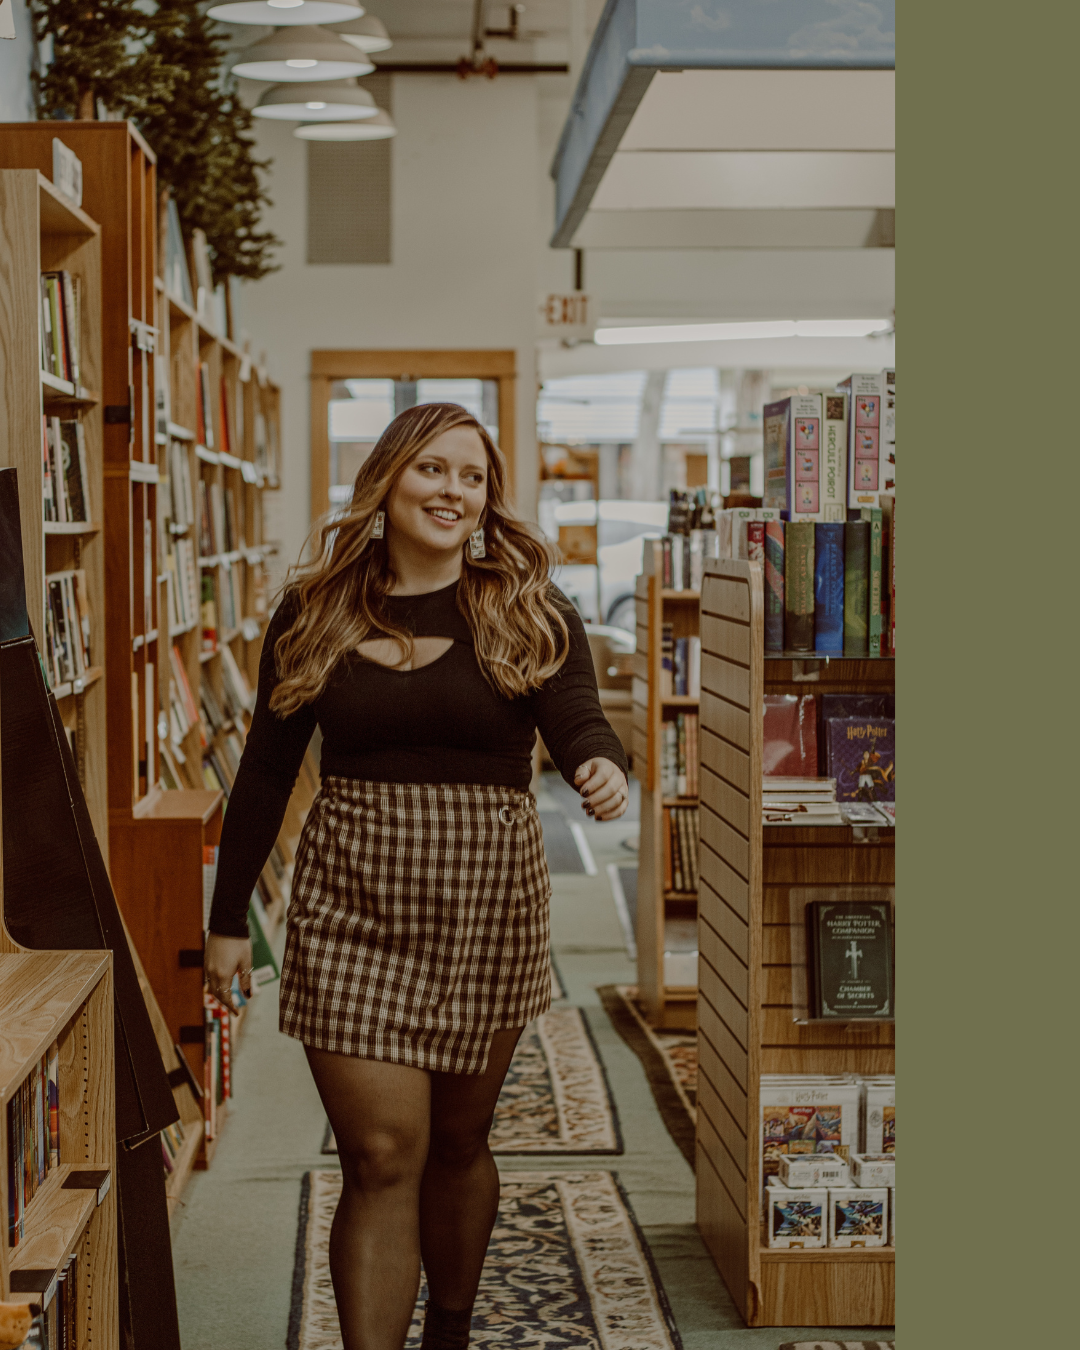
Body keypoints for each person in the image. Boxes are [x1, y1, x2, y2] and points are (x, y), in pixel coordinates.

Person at [204, 403, 628, 1350]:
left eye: (472, 477)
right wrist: (228, 915)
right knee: (382, 1152)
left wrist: (600, 763)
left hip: (488, 904)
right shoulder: (315, 610)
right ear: (389, 483)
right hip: (352, 901)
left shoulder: (526, 605)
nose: (453, 491)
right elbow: (268, 770)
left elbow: (576, 715)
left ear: (488, 499)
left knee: (461, 1144)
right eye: (433, 471)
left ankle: (449, 1330)